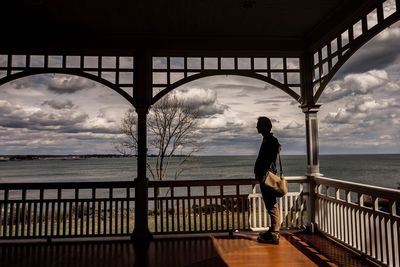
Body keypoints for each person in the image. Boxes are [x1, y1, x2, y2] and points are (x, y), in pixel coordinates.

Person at [254, 116, 281, 244]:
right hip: (265, 177)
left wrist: (261, 171)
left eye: (259, 124)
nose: (257, 127)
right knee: (270, 204)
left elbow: (267, 160)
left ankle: (274, 232)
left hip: (267, 178)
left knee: (271, 204)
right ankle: (273, 230)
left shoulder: (270, 140)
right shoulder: (268, 139)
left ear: (265, 126)